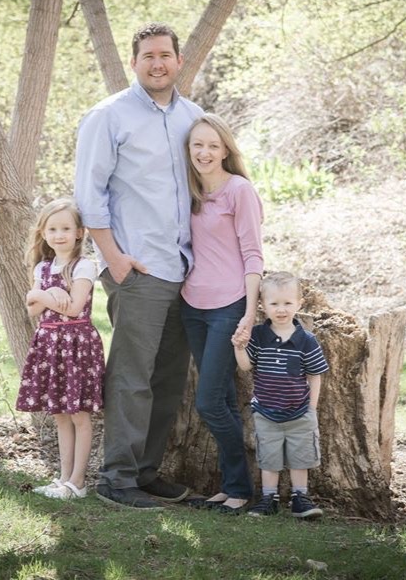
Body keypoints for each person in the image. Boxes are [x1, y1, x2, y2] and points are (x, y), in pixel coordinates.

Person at [74, 22, 203, 510]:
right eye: (148, 56)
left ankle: (146, 472)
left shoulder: (194, 117)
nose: (157, 63)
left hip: (186, 269)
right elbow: (89, 193)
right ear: (134, 63)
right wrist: (114, 259)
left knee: (168, 380)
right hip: (138, 267)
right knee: (132, 377)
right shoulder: (108, 116)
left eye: (165, 55)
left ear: (179, 60)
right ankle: (117, 478)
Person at [180, 114, 263, 514]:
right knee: (224, 399)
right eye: (198, 144)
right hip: (191, 304)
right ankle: (233, 488)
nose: (204, 152)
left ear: (226, 149)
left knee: (209, 402)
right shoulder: (189, 190)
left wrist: (249, 312)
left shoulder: (239, 191)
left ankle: (241, 486)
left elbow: (253, 254)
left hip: (229, 304)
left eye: (213, 145)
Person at [16, 198, 105, 501]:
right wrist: (48, 292)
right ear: (43, 232)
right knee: (60, 414)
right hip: (50, 345)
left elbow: (75, 307)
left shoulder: (84, 266)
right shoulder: (43, 267)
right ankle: (64, 479)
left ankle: (78, 482)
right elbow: (31, 309)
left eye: (66, 228)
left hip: (76, 345)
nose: (59, 235)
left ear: (79, 232)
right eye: (52, 229)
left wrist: (43, 295)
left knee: (78, 413)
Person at [233, 271, 329, 519]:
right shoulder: (258, 335)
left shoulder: (306, 340)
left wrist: (311, 408)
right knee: (269, 457)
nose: (281, 309)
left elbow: (315, 375)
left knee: (300, 457)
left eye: (288, 303)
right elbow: (246, 366)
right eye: (274, 303)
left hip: (299, 412)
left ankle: (300, 498)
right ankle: (269, 498)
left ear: (299, 304)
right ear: (263, 305)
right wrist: (239, 347)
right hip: (266, 412)